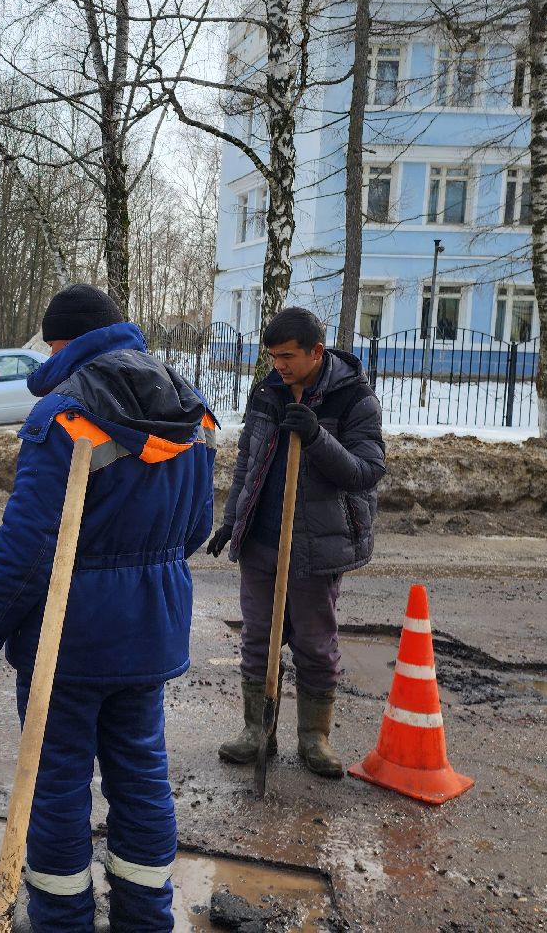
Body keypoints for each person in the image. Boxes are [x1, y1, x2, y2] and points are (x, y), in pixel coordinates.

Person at [0, 285, 216, 933]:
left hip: (68, 640)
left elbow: (28, 546)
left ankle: (62, 919)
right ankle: (145, 917)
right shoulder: (187, 404)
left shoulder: (66, 413)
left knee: (56, 781)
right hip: (151, 630)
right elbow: (196, 528)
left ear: (61, 343)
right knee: (141, 771)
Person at [207, 306, 385, 779]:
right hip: (262, 541)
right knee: (258, 639)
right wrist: (231, 521)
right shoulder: (268, 392)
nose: (279, 365)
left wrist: (317, 437)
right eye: (273, 357)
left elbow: (367, 471)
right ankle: (257, 730)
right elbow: (247, 462)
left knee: (314, 643)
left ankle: (314, 738)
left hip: (315, 547)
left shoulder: (354, 398)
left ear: (316, 352)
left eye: (287, 356)